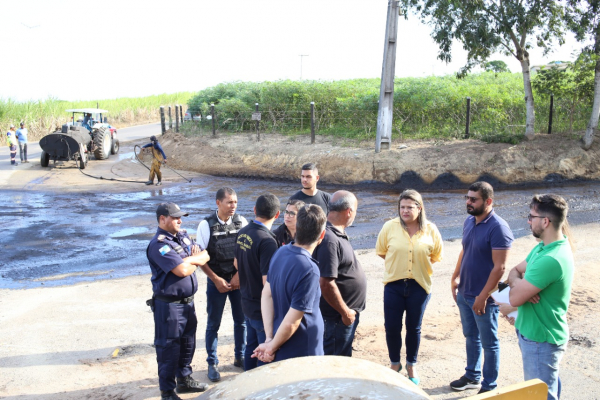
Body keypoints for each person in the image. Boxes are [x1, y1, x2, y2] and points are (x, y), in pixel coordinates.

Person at [504, 194, 574, 400]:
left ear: (545, 221)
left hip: (540, 339)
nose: (528, 220)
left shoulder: (550, 259)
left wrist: (519, 290)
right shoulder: (544, 247)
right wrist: (521, 286)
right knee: (549, 387)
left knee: (539, 396)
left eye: (531, 216)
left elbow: (514, 299)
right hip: (535, 333)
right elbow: (514, 272)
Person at [450, 181, 514, 394]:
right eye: (467, 198)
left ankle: (489, 386)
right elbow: (464, 251)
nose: (468, 202)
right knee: (471, 336)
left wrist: (483, 296)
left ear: (488, 201)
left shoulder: (499, 227)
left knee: (489, 342)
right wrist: (454, 276)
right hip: (465, 291)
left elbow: (500, 268)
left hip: (485, 297)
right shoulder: (469, 221)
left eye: (473, 199)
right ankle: (472, 376)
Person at [376, 189, 443, 385]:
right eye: (402, 207)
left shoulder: (431, 229)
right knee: (392, 327)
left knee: (414, 328)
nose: (404, 211)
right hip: (394, 285)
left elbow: (435, 256)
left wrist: (415, 266)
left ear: (419, 208)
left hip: (419, 286)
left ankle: (411, 364)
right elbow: (382, 252)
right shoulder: (389, 227)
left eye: (409, 207)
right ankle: (395, 364)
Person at [146, 202, 210, 400]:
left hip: (187, 303)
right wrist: (192, 261)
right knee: (168, 348)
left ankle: (184, 380)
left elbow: (205, 254)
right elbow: (181, 270)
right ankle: (167, 392)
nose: (179, 220)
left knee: (187, 343)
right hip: (169, 307)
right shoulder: (159, 245)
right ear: (162, 219)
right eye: (174, 217)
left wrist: (190, 260)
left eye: (179, 217)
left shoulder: (181, 236)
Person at [252, 204, 327, 363]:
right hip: (302, 348)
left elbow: (266, 294)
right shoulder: (310, 269)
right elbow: (293, 322)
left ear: (297, 228)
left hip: (280, 340)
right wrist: (271, 346)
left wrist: (269, 338)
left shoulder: (281, 251)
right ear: (322, 235)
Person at [196, 187, 248, 382]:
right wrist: (215, 280)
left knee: (241, 322)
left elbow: (246, 253)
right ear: (218, 203)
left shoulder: (242, 222)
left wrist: (239, 276)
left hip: (237, 281)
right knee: (213, 324)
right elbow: (200, 258)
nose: (233, 205)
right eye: (229, 202)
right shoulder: (205, 225)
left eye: (235, 202)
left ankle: (240, 356)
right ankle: (212, 362)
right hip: (216, 282)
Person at [313, 190, 367, 357]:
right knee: (335, 362)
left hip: (341, 317)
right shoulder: (329, 239)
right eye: (355, 211)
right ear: (349, 211)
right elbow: (326, 283)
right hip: (336, 319)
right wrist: (345, 313)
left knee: (342, 357)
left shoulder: (335, 234)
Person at [235, 193, 280, 371]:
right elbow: (266, 282)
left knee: (251, 347)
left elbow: (236, 263)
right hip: (261, 307)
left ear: (254, 210)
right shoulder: (268, 241)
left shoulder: (243, 231)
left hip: (246, 300)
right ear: (277, 214)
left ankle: (247, 379)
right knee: (264, 352)